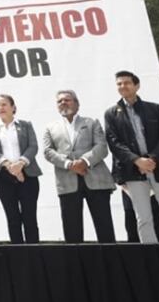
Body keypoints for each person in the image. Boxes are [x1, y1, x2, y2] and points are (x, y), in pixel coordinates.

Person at [104, 70, 159, 243]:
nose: (122, 86)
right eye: (119, 84)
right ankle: (150, 260)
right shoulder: (112, 113)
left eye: (126, 83)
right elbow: (114, 143)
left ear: (137, 85)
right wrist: (137, 160)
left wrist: (153, 159)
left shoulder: (155, 109)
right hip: (133, 171)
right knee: (143, 219)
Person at [41, 90, 117, 243]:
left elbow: (101, 147)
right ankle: (76, 266)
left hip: (96, 180)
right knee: (72, 232)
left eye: (67, 100)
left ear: (77, 104)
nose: (63, 103)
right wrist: (69, 164)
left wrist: (83, 161)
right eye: (60, 101)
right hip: (67, 182)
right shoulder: (50, 127)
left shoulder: (91, 122)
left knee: (105, 228)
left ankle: (111, 265)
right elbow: (48, 152)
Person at [0, 94, 41, 244]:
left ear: (13, 107)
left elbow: (33, 146)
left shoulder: (25, 125)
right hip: (3, 177)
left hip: (27, 175)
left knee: (30, 217)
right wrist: (9, 166)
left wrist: (20, 164)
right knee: (13, 218)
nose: (0, 108)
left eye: (4, 104)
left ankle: (34, 254)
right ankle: (19, 256)